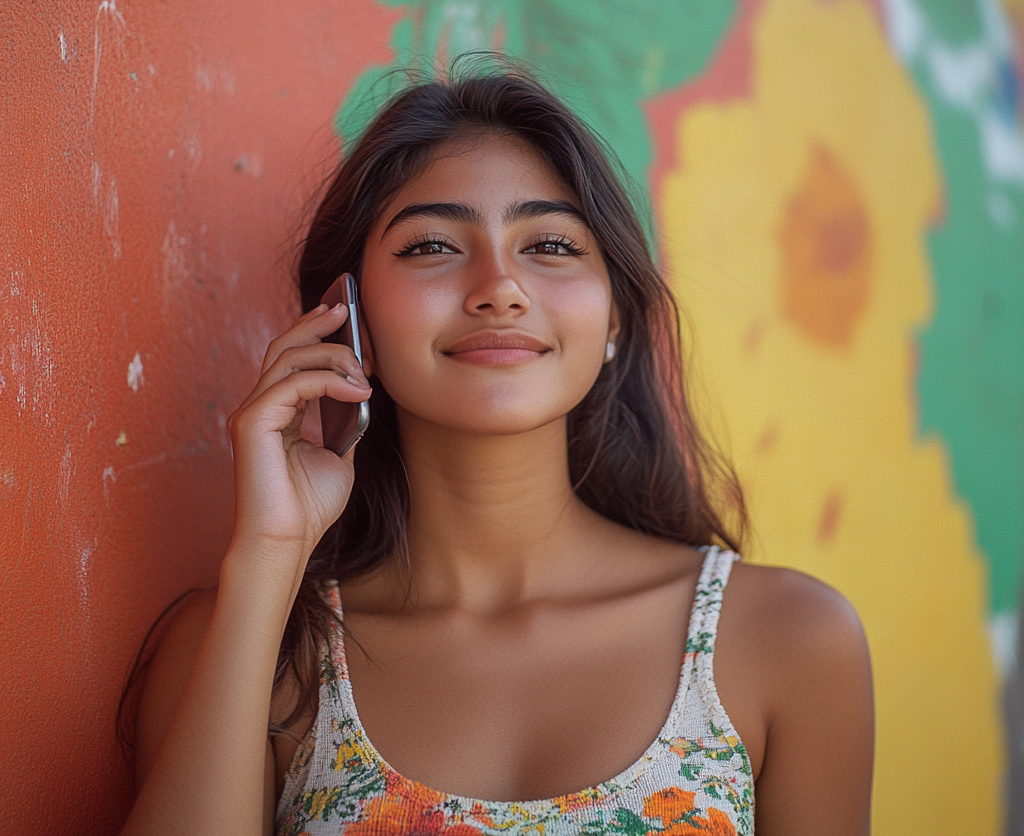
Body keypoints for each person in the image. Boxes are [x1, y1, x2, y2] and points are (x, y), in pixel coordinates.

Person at [121, 61, 874, 836]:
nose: (499, 286)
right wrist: (271, 553)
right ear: (351, 325)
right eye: (431, 247)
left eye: (549, 243)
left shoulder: (788, 640)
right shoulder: (252, 649)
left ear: (614, 321)